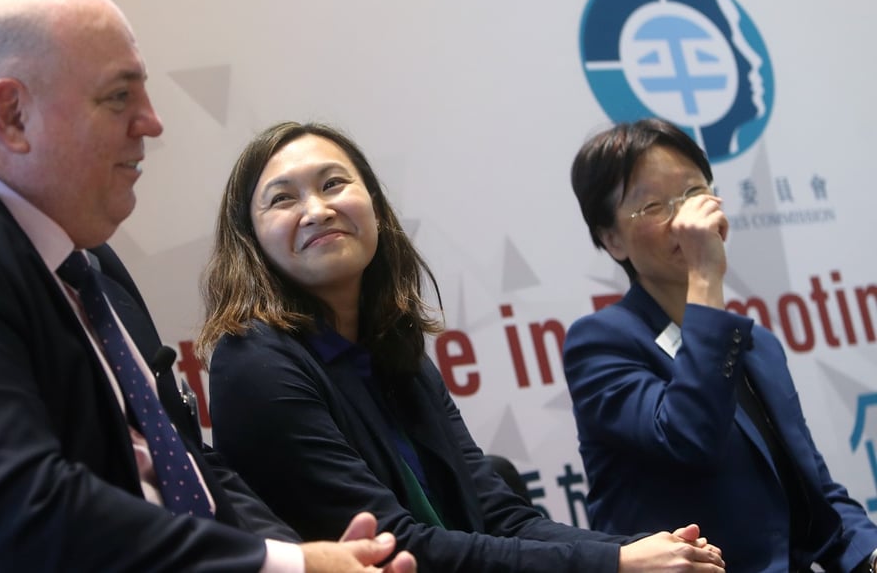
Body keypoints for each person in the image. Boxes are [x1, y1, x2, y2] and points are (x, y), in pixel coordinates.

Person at [0, 0, 416, 573]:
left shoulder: (87, 261)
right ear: (13, 116)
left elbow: (186, 464)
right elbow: (18, 514)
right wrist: (290, 569)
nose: (151, 123)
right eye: (120, 96)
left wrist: (301, 558)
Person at [199, 120, 727, 572]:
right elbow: (394, 547)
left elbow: (499, 515)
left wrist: (644, 550)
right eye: (282, 198)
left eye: (333, 183)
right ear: (251, 239)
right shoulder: (254, 362)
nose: (316, 210)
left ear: (375, 208)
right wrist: (615, 563)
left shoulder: (394, 351)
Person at [564, 117, 877, 572]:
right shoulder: (601, 342)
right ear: (612, 239)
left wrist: (871, 556)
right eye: (654, 205)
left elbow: (817, 497)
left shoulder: (757, 345)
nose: (685, 220)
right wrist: (705, 273)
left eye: (694, 193)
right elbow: (690, 437)